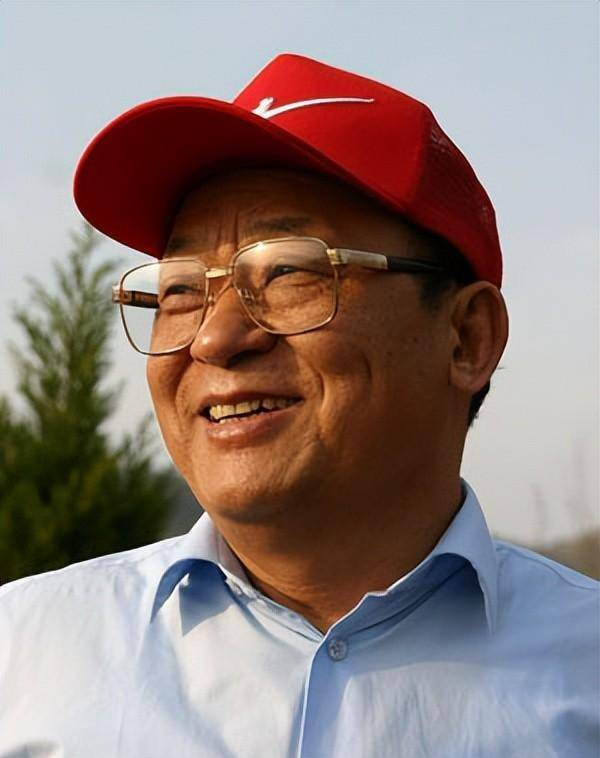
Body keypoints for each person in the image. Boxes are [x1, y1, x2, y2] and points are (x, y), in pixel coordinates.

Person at [1, 54, 598, 758]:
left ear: (467, 337)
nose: (215, 338)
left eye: (288, 270)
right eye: (180, 289)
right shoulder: (23, 654)